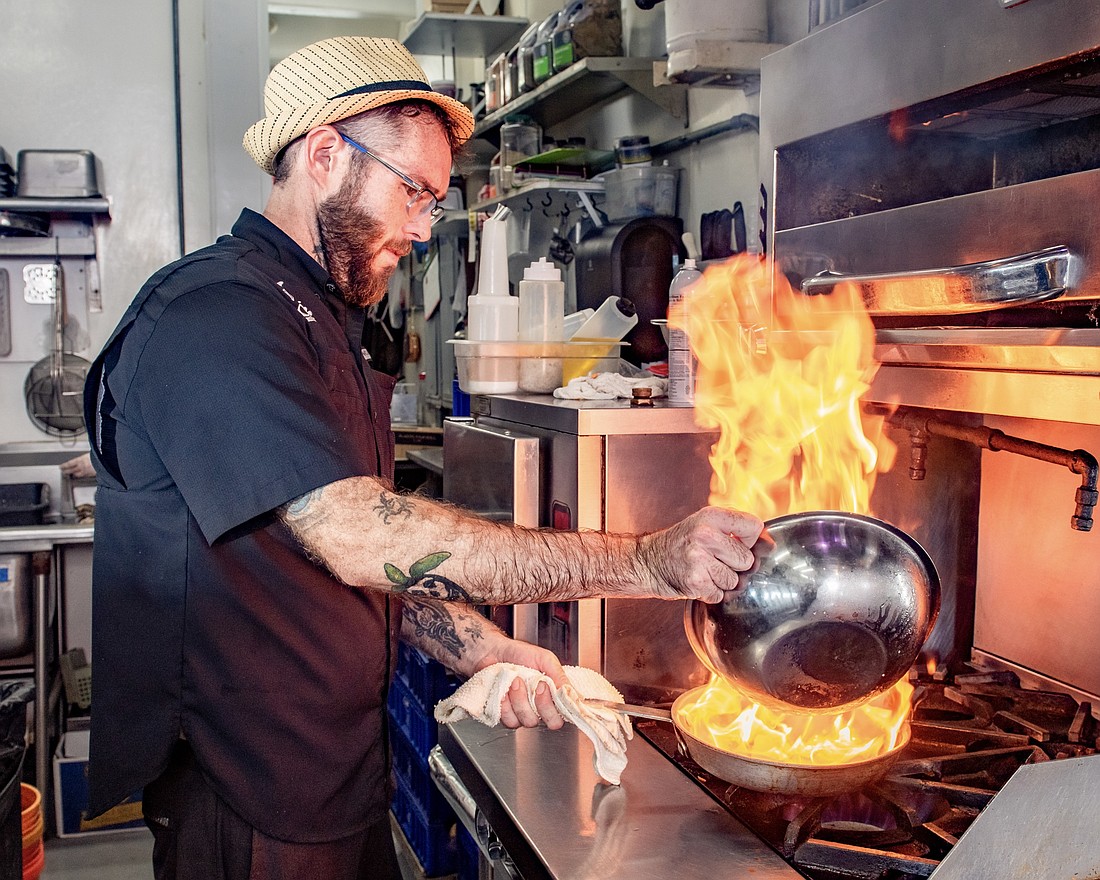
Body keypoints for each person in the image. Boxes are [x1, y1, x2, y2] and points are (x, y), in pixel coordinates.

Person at [82, 36, 763, 880]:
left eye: (434, 201)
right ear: (326, 153)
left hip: (334, 771)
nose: (422, 226)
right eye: (413, 191)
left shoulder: (323, 318)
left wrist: (482, 646)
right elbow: (360, 535)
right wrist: (649, 562)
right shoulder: (216, 316)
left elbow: (350, 570)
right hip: (248, 789)